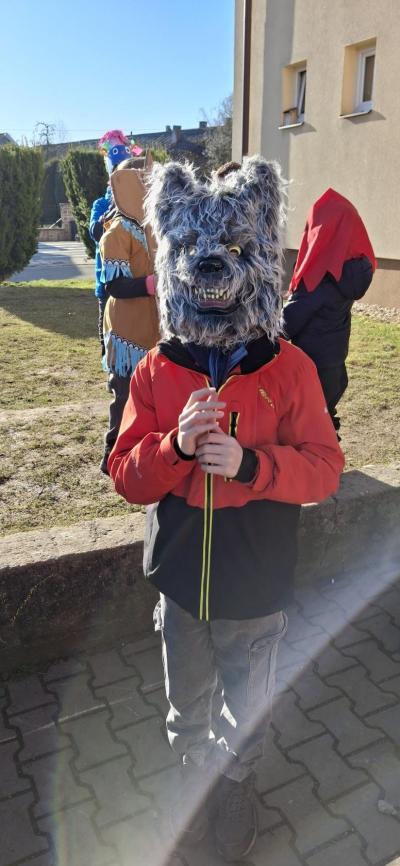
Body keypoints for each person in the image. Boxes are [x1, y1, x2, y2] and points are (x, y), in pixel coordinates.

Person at [108, 157, 344, 861]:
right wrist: (174, 448)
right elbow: (125, 475)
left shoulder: (290, 369)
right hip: (181, 585)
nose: (212, 268)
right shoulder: (156, 370)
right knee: (187, 705)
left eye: (236, 249)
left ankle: (235, 781)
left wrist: (252, 466)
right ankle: (191, 778)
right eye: (194, 251)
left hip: (255, 587)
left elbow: (325, 468)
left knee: (248, 706)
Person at [280, 188, 375, 435]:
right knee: (324, 418)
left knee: (309, 427)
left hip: (312, 367)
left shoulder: (321, 275)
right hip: (334, 362)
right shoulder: (351, 270)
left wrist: (265, 333)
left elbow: (290, 321)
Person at [99, 153, 159, 473]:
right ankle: (112, 455)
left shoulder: (153, 228)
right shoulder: (117, 232)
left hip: (153, 328)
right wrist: (151, 284)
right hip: (127, 333)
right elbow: (116, 286)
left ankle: (143, 452)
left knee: (151, 397)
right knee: (124, 395)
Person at [89, 130, 142, 357]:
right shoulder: (101, 204)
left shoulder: (141, 204)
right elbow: (95, 232)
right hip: (107, 284)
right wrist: (112, 210)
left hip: (138, 282)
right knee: (109, 337)